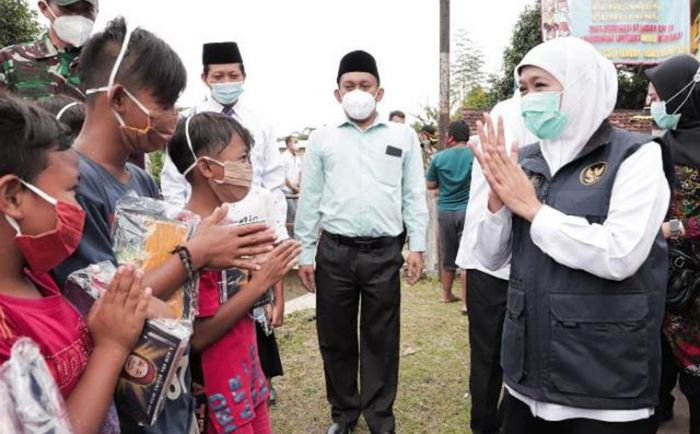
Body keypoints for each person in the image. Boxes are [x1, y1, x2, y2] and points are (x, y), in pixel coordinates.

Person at [53, 18, 277, 433]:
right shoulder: (73, 186)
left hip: (170, 396)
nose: (173, 117)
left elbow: (166, 288)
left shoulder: (140, 179)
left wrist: (209, 247)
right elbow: (105, 308)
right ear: (119, 99)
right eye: (166, 103)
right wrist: (197, 254)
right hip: (124, 401)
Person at [473, 37, 670, 434]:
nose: (529, 98)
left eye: (541, 86)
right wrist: (496, 203)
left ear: (581, 86)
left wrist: (533, 210)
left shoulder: (637, 156)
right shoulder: (525, 159)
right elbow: (492, 258)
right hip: (526, 380)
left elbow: (621, 254)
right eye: (523, 88)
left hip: (603, 386)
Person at [295, 50, 428, 434]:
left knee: (381, 339)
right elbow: (310, 199)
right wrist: (305, 251)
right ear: (337, 94)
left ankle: (380, 418)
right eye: (349, 86)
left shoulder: (403, 137)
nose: (357, 91)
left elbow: (413, 194)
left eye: (364, 85)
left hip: (385, 253)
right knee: (335, 338)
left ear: (379, 92)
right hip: (334, 252)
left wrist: (416, 245)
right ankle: (343, 415)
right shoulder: (321, 140)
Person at [0, 92, 149, 434]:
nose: (78, 209)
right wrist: (111, 348)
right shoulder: (7, 332)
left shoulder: (39, 280)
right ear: (12, 196)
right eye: (70, 192)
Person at [167, 111, 301, 433]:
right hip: (218, 395)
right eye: (242, 158)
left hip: (247, 376)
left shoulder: (226, 228)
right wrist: (262, 283)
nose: (250, 168)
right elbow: (196, 338)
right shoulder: (190, 241)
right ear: (208, 168)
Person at [455, 91, 535, 434]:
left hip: (529, 262)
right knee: (489, 357)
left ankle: (501, 422)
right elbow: (480, 201)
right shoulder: (507, 113)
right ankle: (486, 425)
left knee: (516, 356)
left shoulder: (561, 120)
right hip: (490, 263)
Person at [160, 41, 285, 215]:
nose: (226, 82)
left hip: (252, 220)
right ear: (205, 78)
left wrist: (274, 223)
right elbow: (173, 180)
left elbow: (273, 180)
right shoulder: (188, 123)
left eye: (233, 76)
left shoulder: (261, 123)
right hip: (202, 220)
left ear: (244, 76)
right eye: (218, 77)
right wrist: (185, 224)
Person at [646, 55, 700, 434]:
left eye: (657, 93)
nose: (651, 101)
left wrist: (672, 229)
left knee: (695, 376)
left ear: (683, 96)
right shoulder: (660, 145)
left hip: (693, 287)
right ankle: (660, 409)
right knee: (656, 362)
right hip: (661, 275)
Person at [0, 0, 97, 101]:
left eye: (86, 10)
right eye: (68, 9)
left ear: (96, 12)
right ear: (44, 8)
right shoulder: (8, 58)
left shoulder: (107, 62)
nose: (78, 18)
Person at [425, 120, 473, 307]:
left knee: (448, 254)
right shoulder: (474, 155)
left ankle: (446, 295)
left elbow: (430, 185)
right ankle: (466, 303)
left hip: (445, 210)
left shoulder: (439, 158)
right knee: (467, 257)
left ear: (450, 137)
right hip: (467, 210)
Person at [281, 135, 302, 238]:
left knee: (297, 214)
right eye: (295, 142)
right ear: (289, 143)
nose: (297, 144)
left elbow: (300, 173)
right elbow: (282, 176)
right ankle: (290, 237)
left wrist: (299, 186)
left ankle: (295, 236)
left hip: (296, 191)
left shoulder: (297, 158)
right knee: (291, 214)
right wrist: (292, 188)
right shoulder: (284, 158)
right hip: (287, 191)